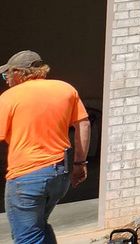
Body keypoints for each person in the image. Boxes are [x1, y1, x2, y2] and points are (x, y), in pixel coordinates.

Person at [0, 51, 90, 244]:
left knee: (27, 237)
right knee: (38, 228)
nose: (6, 80)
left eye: (6, 75)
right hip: (59, 175)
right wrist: (79, 163)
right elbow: (83, 124)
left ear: (18, 73)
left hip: (26, 178)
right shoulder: (65, 89)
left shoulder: (9, 98)